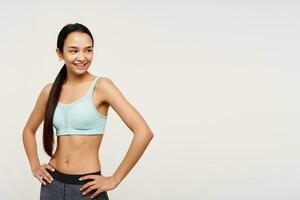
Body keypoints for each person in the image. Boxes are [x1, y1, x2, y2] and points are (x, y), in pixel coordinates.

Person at [22, 23, 154, 200]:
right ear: (60, 53)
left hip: (86, 189)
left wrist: (115, 179)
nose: (82, 57)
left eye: (88, 50)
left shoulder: (102, 86)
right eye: (74, 50)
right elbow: (28, 131)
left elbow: (144, 132)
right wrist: (35, 165)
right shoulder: (49, 91)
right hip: (52, 185)